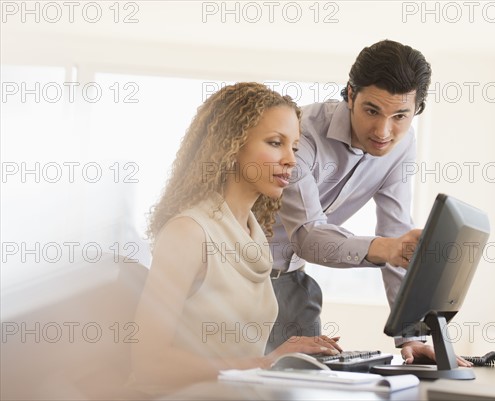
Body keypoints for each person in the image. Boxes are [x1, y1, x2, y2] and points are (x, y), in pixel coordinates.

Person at [266, 40, 471, 367]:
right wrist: (386, 247)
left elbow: (397, 231)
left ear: (416, 110)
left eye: (400, 116)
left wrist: (412, 335)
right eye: (371, 110)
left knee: (309, 379)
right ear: (350, 94)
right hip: (241, 273)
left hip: (293, 280)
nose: (383, 131)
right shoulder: (301, 134)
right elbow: (306, 237)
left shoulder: (403, 147)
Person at [131, 82, 341, 393]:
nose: (291, 160)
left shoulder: (254, 234)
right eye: (275, 143)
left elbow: (237, 360)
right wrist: (267, 363)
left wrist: (280, 355)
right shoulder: (189, 232)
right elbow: (148, 365)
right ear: (231, 145)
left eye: (294, 147)